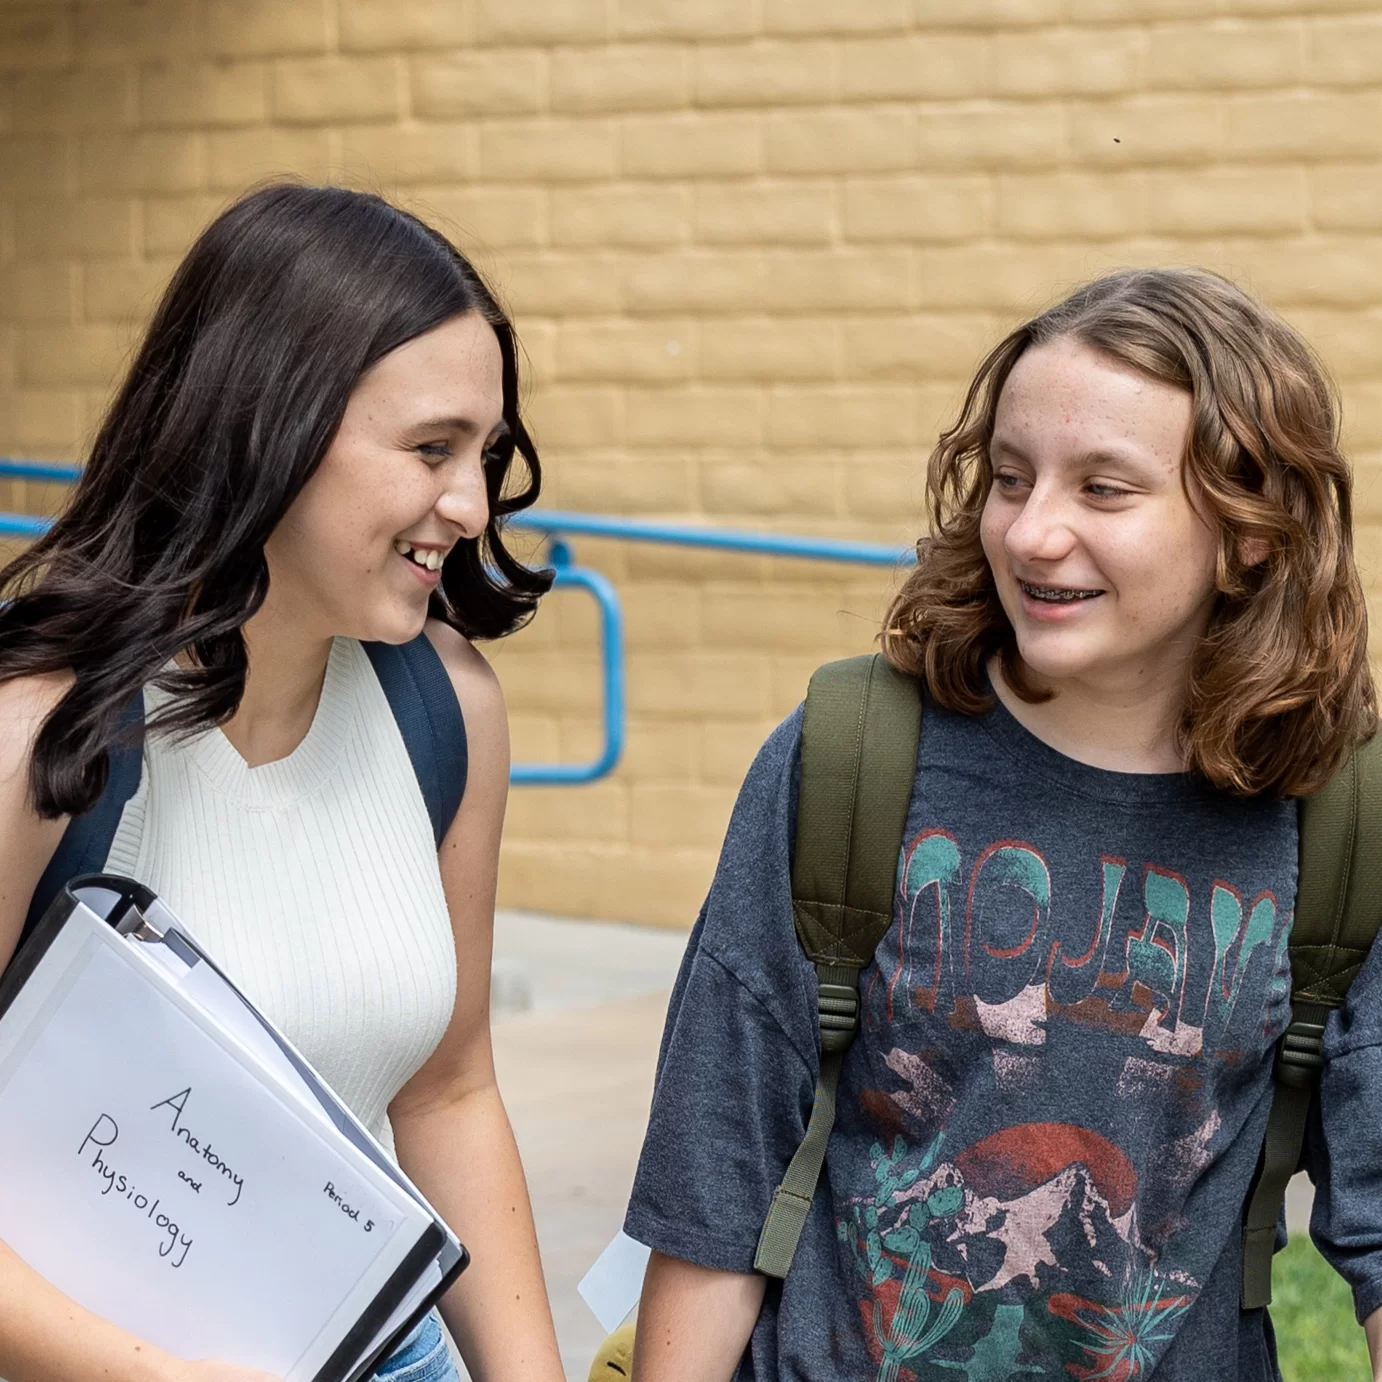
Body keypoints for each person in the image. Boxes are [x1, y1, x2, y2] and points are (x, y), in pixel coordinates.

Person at [625, 267, 1382, 1380]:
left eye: (1104, 490)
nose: (1030, 532)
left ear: (1249, 532)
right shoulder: (848, 756)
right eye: (1010, 476)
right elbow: (714, 1184)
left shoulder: (1335, 814)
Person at [0, 184, 565, 1382]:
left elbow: (450, 1088)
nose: (469, 505)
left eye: (485, 454)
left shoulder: (445, 707)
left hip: (384, 1344)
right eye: (429, 448)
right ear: (269, 423)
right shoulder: (41, 735)